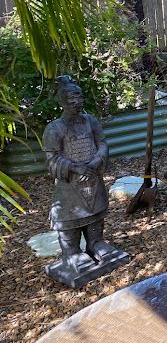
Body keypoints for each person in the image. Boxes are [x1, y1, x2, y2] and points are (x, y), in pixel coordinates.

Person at [43, 76, 120, 274]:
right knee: (69, 217)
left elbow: (102, 143)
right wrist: (75, 168)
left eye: (79, 98)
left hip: (93, 179)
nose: (77, 102)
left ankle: (96, 243)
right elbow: (51, 157)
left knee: (96, 212)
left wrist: (95, 162)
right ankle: (72, 252)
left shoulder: (91, 121)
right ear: (62, 101)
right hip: (70, 185)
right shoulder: (54, 129)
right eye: (71, 99)